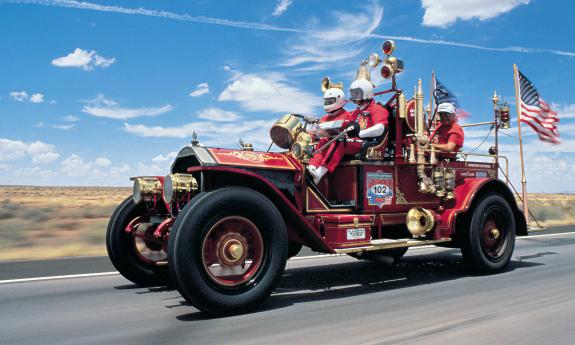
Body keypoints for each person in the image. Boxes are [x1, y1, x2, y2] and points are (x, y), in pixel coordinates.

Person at [307, 80, 390, 184]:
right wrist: (319, 126)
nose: (354, 96)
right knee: (325, 141)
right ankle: (312, 166)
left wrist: (359, 133)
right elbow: (343, 123)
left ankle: (320, 172)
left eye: (357, 93)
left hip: (365, 143)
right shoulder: (355, 112)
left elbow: (380, 128)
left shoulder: (377, 109)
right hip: (352, 141)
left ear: (366, 92)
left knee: (339, 141)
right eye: (353, 93)